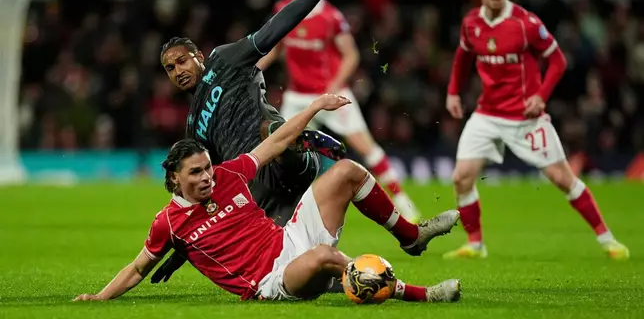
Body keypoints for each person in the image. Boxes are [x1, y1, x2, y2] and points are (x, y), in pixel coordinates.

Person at [73, 93, 462, 303]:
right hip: (269, 281)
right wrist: (100, 296)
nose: (208, 176)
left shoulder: (227, 175)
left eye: (208, 167)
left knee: (347, 171)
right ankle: (424, 294)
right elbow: (139, 268)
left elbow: (275, 141)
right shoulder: (169, 223)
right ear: (175, 179)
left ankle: (411, 236)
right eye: (196, 172)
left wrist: (313, 107)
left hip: (289, 238)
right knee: (324, 258)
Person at [150, 0, 360, 284]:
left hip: (280, 156)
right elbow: (208, 186)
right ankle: (351, 279)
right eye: (169, 68)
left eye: (182, 60)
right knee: (299, 268)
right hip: (259, 190)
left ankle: (300, 142)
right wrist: (182, 250)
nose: (177, 71)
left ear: (198, 55)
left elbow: (277, 26)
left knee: (268, 128)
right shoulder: (192, 127)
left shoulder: (225, 60)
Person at [443, 0, 629, 260]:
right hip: (487, 114)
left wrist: (541, 97)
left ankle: (608, 240)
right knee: (461, 177)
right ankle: (475, 244)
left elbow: (557, 61)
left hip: (525, 118)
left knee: (561, 178)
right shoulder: (471, 23)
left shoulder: (525, 23)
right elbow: (463, 57)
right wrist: (453, 92)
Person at [257, 0, 420, 223]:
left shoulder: (331, 17)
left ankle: (403, 203)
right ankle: (278, 209)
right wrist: (254, 69)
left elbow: (351, 55)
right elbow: (277, 48)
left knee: (366, 148)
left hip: (331, 94)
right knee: (279, 149)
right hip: (297, 96)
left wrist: (335, 84)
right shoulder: (283, 10)